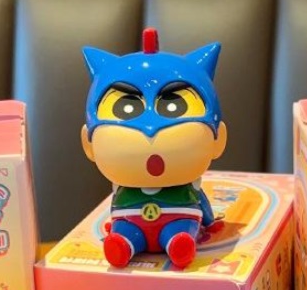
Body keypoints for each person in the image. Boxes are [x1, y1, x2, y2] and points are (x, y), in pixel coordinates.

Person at [81, 27, 227, 268]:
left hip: (178, 216)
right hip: (131, 217)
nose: (150, 128)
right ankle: (123, 243)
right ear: (88, 145)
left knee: (179, 230)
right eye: (126, 108)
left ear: (218, 140)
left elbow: (201, 202)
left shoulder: (187, 187)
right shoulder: (124, 190)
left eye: (175, 107)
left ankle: (178, 242)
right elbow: (203, 206)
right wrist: (210, 221)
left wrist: (209, 221)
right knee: (125, 231)